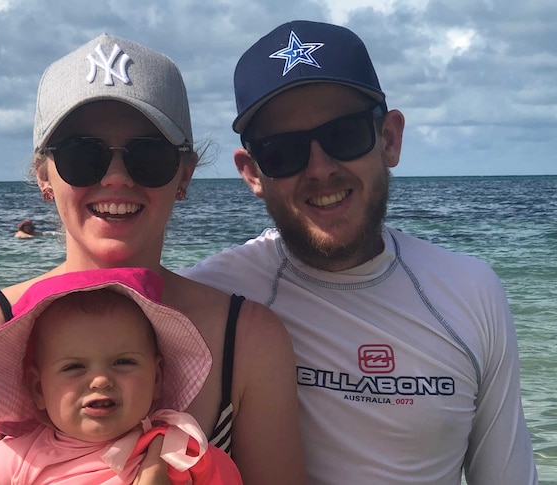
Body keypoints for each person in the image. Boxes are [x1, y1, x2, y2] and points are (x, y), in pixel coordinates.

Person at [0, 33, 306, 485]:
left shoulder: (248, 339)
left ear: (184, 174)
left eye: (148, 155)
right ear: (44, 175)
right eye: (82, 156)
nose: (115, 177)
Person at [180, 20, 538, 484]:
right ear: (252, 173)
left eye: (344, 135)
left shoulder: (471, 293)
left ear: (389, 139)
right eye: (283, 151)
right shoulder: (210, 299)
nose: (320, 169)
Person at [0, 267, 241, 484]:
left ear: (157, 378)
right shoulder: (9, 463)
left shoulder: (184, 455)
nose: (101, 380)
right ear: (38, 389)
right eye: (74, 367)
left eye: (123, 362)